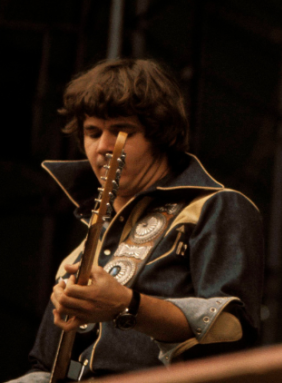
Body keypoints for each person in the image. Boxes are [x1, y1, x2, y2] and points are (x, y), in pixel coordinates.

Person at [9, 59, 264, 381]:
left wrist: (127, 306)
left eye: (121, 131)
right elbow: (45, 367)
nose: (103, 147)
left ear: (159, 136)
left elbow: (234, 330)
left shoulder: (214, 207)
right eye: (92, 132)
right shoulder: (82, 249)